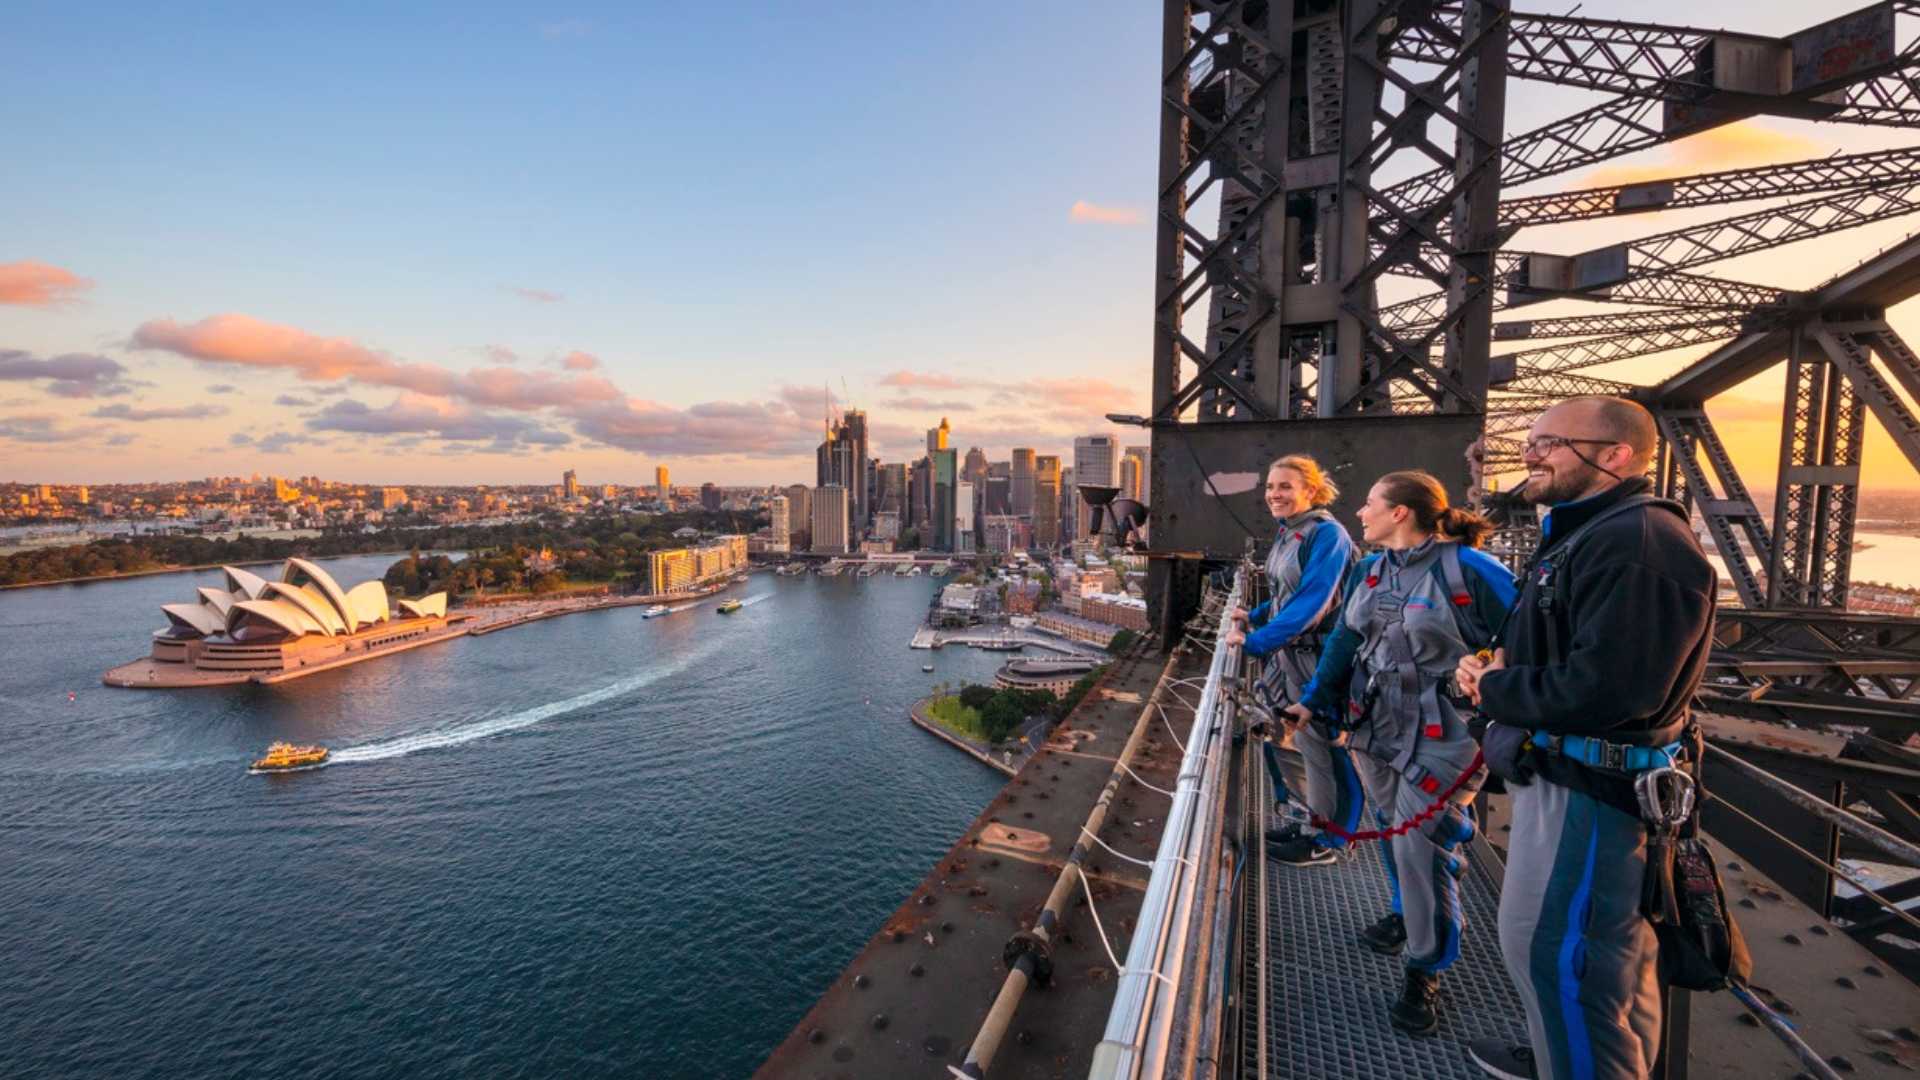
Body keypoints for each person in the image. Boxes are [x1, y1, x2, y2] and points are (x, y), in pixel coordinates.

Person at [1456, 397, 1715, 1080]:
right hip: (1578, 776)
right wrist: (1496, 666)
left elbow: (1611, 690)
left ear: (1616, 456)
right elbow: (1561, 649)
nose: (1530, 455)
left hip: (1593, 789)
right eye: (1531, 442)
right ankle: (1568, 1056)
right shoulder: (1592, 533)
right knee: (1609, 968)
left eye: (1550, 443)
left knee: (1557, 955)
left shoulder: (1639, 545)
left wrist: (1493, 690)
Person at [1283, 470, 1515, 1036]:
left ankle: (1425, 967)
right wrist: (1312, 704)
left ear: (1401, 513)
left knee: (1422, 844)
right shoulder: (1371, 569)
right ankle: (1403, 912)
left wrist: (1496, 675)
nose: (1360, 514)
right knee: (1390, 824)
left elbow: (1530, 639)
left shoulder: (1472, 570)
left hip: (1446, 734)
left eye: (1369, 504)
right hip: (1376, 722)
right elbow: (1345, 640)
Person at [1222, 455, 1359, 859]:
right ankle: (1311, 823)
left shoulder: (1327, 535)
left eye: (1285, 486)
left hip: (1320, 656)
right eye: (1270, 486)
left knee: (1328, 747)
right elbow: (1287, 594)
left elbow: (1314, 602)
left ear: (1310, 491)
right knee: (1307, 745)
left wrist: (1256, 641)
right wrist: (1255, 615)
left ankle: (1329, 841)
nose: (1274, 494)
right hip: (1294, 655)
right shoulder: (1290, 532)